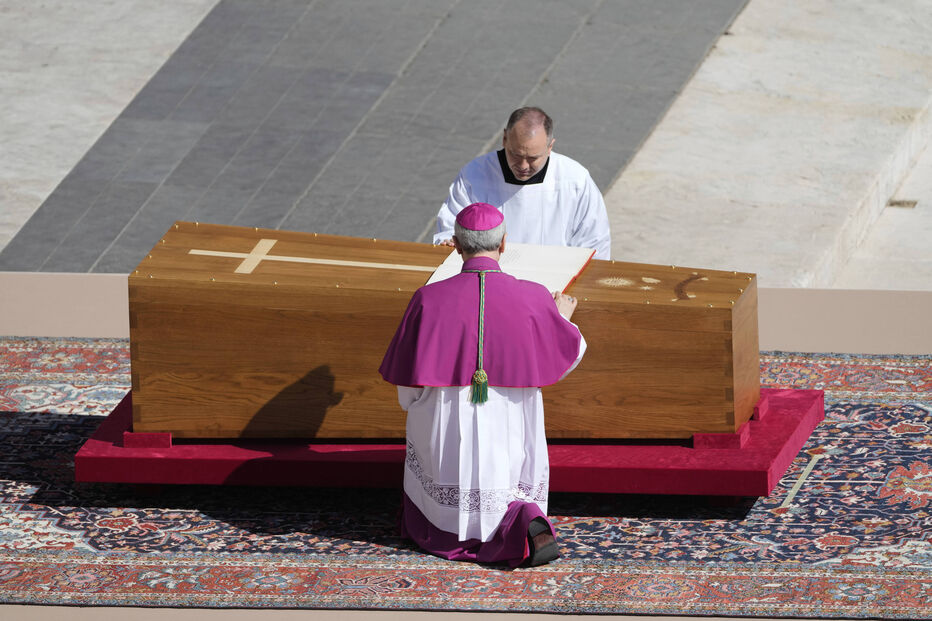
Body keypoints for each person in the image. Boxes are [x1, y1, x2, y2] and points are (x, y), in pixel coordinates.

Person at [381, 202, 587, 567]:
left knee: (434, 452)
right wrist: (561, 318)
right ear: (504, 244)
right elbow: (564, 357)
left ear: (456, 245)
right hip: (510, 420)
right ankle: (520, 521)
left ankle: (446, 530)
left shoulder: (427, 298)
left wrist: (418, 407)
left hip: (443, 427)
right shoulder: (534, 296)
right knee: (506, 479)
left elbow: (407, 388)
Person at [433, 107, 611, 260]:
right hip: (489, 281)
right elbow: (450, 227)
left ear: (550, 147)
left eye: (533, 158)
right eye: (516, 155)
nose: (523, 166)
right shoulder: (474, 175)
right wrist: (448, 241)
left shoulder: (575, 180)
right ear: (504, 139)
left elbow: (594, 243)